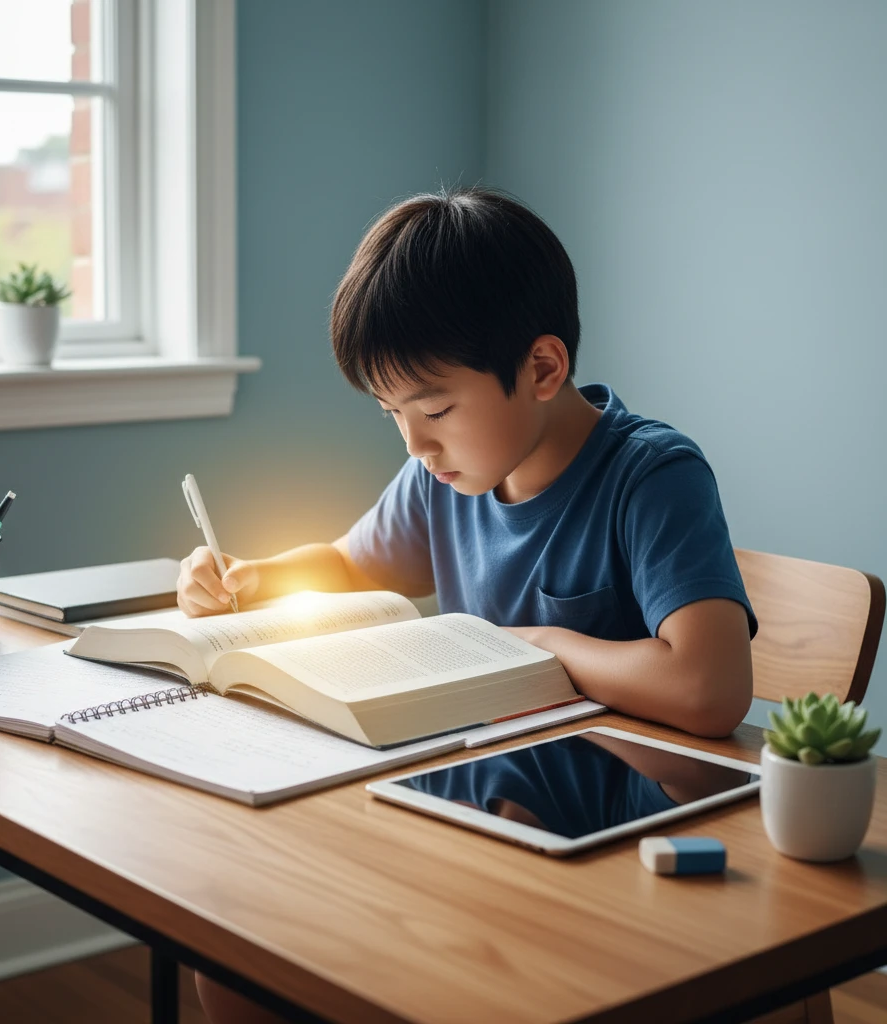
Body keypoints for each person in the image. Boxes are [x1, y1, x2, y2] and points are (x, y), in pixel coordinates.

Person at [183, 186, 756, 1022]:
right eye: (393, 414)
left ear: (542, 368)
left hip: (613, 859)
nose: (415, 444)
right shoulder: (445, 478)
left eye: (437, 409)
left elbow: (709, 689)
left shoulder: (652, 477)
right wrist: (254, 575)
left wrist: (536, 643)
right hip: (476, 814)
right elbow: (349, 564)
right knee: (237, 954)